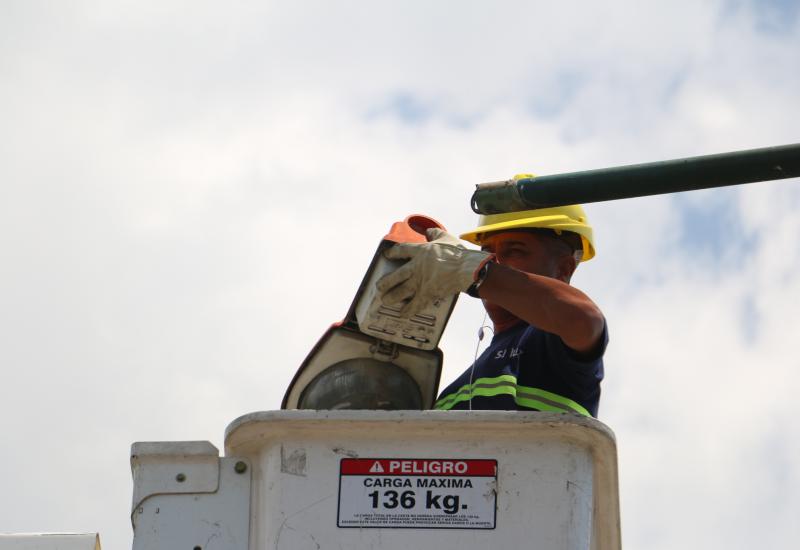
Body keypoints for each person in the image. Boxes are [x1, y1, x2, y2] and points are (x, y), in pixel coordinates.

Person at [376, 175, 606, 417]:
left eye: (514, 250)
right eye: (485, 253)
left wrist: (476, 272)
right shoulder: (454, 393)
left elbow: (584, 320)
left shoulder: (551, 342)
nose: (493, 261)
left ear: (563, 269)